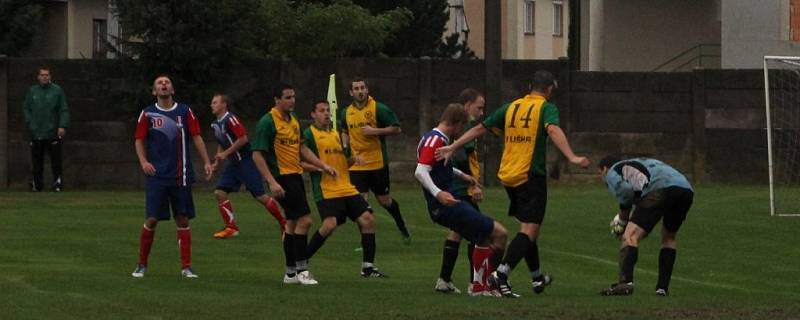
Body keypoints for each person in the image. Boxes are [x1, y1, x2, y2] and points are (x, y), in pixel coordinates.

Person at [437, 70, 590, 297]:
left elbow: (480, 128)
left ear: (530, 86)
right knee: (530, 229)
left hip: (509, 176)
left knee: (527, 228)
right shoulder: (546, 107)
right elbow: (553, 129)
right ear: (548, 90)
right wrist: (572, 156)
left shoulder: (512, 107)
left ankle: (537, 277)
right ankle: (500, 274)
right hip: (530, 175)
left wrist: (453, 145)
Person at [416, 103, 508, 297]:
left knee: (481, 238)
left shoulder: (435, 137)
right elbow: (420, 171)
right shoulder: (435, 140)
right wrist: (438, 193)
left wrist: (462, 176)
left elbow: (438, 166)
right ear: (456, 124)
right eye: (462, 127)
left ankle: (478, 287)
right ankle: (488, 284)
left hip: (447, 203)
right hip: (446, 205)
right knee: (500, 234)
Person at [252, 83, 336, 286]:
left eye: (293, 97)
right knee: (305, 221)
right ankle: (302, 269)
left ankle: (290, 273)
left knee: (291, 224)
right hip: (282, 179)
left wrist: (322, 165)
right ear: (277, 100)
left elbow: (302, 149)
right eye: (287, 97)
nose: (292, 101)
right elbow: (256, 154)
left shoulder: (294, 121)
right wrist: (271, 182)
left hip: (295, 176)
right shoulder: (267, 122)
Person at [131, 75, 213, 278]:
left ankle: (186, 267)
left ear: (172, 89)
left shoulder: (184, 112)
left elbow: (196, 137)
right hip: (157, 175)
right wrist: (143, 162)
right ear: (154, 91)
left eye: (167, 82)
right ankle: (141, 264)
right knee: (151, 219)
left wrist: (206, 161)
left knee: (183, 219)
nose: (164, 85)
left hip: (180, 175)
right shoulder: (147, 114)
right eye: (159, 83)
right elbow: (139, 140)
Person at [302, 100, 388, 278]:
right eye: (321, 111)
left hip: (346, 187)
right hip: (326, 189)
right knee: (329, 225)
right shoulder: (309, 134)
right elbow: (299, 163)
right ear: (313, 114)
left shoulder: (335, 134)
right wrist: (320, 167)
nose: (326, 114)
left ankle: (368, 267)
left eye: (328, 111)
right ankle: (302, 260)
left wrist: (353, 160)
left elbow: (342, 162)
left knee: (367, 219)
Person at [597, 156, 694, 297]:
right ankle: (662, 288)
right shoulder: (641, 162)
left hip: (659, 188)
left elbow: (625, 192)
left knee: (630, 236)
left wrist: (623, 222)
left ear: (604, 168)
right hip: (685, 189)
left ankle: (625, 284)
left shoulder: (612, 171)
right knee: (669, 237)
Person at [340, 78, 411, 243]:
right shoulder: (346, 113)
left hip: (377, 163)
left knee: (384, 201)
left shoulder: (379, 108)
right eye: (356, 88)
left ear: (367, 90)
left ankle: (401, 223)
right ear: (351, 92)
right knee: (361, 205)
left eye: (362, 88)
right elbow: (344, 130)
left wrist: (375, 131)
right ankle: (366, 240)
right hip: (357, 165)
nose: (360, 91)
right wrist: (345, 144)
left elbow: (397, 128)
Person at [208, 94, 287, 239]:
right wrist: (216, 163)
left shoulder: (230, 119)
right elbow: (222, 142)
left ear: (224, 104)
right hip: (233, 164)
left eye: (215, 102)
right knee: (219, 192)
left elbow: (243, 138)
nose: (211, 105)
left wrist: (225, 153)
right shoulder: (216, 124)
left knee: (260, 196)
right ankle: (231, 228)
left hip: (246, 161)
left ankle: (285, 224)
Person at [435, 89, 486, 295]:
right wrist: (471, 185)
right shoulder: (466, 129)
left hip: (454, 186)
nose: (481, 112)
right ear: (467, 105)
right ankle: (476, 283)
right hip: (460, 188)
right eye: (479, 107)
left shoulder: (461, 128)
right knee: (479, 231)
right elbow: (461, 158)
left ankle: (444, 279)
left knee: (457, 231)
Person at [24, 66, 69, 192]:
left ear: (50, 77)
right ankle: (37, 184)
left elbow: (63, 109)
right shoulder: (32, 91)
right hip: (36, 132)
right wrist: (30, 123)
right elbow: (26, 109)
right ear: (38, 77)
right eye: (42, 75)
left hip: (53, 132)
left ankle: (57, 183)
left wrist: (62, 125)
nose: (45, 77)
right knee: (37, 161)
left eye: (47, 75)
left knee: (56, 160)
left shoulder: (57, 91)